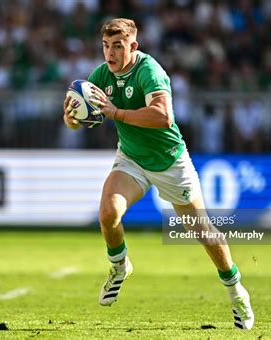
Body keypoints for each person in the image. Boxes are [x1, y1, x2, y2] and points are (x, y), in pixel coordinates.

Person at [62, 18, 254, 330]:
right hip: (131, 159)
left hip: (169, 162)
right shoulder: (100, 75)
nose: (109, 53)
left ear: (133, 47)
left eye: (117, 46)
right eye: (105, 46)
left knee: (204, 233)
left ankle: (236, 292)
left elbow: (163, 117)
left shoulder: (149, 71)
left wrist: (116, 113)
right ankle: (119, 266)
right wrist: (72, 117)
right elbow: (79, 120)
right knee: (108, 213)